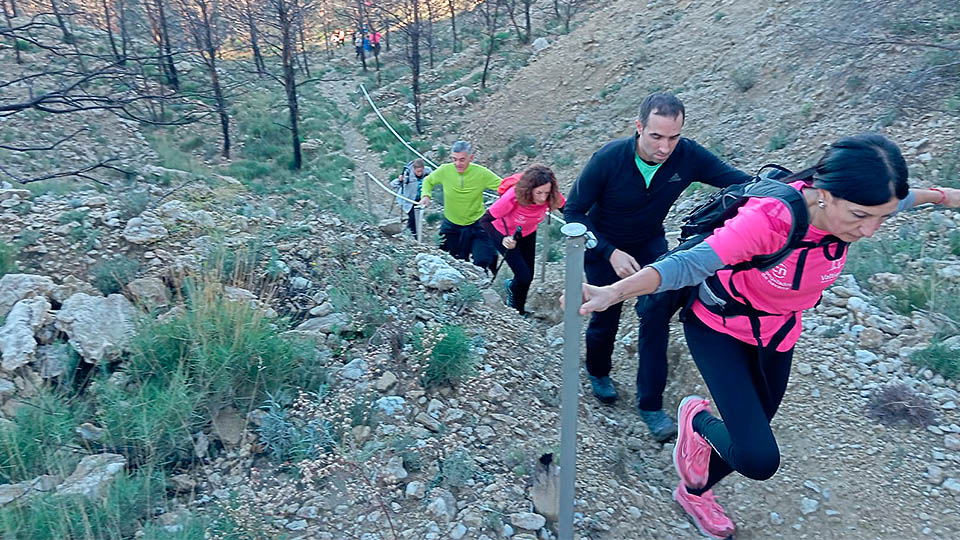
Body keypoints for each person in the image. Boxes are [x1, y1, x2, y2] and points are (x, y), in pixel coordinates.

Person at [575, 134, 960, 538]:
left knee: (748, 439)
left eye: (880, 217)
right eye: (861, 216)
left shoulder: (866, 202)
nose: (869, 230)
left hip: (778, 332)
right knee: (759, 459)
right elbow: (689, 264)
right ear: (825, 194)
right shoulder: (771, 220)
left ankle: (694, 493)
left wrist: (946, 196)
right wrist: (614, 291)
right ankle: (697, 418)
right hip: (718, 327)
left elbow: (914, 199)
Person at [563, 92, 751, 442]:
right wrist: (609, 252)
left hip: (651, 243)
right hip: (605, 247)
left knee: (656, 316)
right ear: (639, 127)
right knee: (606, 315)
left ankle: (650, 406)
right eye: (656, 136)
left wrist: (792, 192)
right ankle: (598, 372)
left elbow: (739, 182)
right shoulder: (607, 159)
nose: (665, 147)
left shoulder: (687, 155)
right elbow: (572, 211)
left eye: (673, 137)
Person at [479, 164, 565, 316]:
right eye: (538, 193)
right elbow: (485, 220)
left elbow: (567, 209)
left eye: (546, 193)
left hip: (528, 232)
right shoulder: (512, 197)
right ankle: (516, 311)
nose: (542, 198)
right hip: (504, 234)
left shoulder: (551, 195)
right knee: (523, 276)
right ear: (528, 190)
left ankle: (517, 301)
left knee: (529, 275)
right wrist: (503, 239)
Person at [418, 141, 502, 273]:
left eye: (462, 160)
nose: (458, 164)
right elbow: (428, 181)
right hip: (451, 225)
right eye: (454, 159)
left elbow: (503, 185)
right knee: (447, 259)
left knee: (482, 261)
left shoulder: (481, 173)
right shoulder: (445, 170)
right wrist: (426, 195)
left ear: (471, 158)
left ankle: (482, 287)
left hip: (477, 224)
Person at [391, 158, 433, 237]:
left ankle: (410, 234)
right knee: (413, 218)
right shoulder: (407, 174)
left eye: (421, 171)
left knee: (416, 218)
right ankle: (413, 236)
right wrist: (400, 180)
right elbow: (393, 184)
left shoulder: (428, 172)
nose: (420, 173)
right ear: (414, 169)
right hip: (408, 200)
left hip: (420, 200)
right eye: (418, 171)